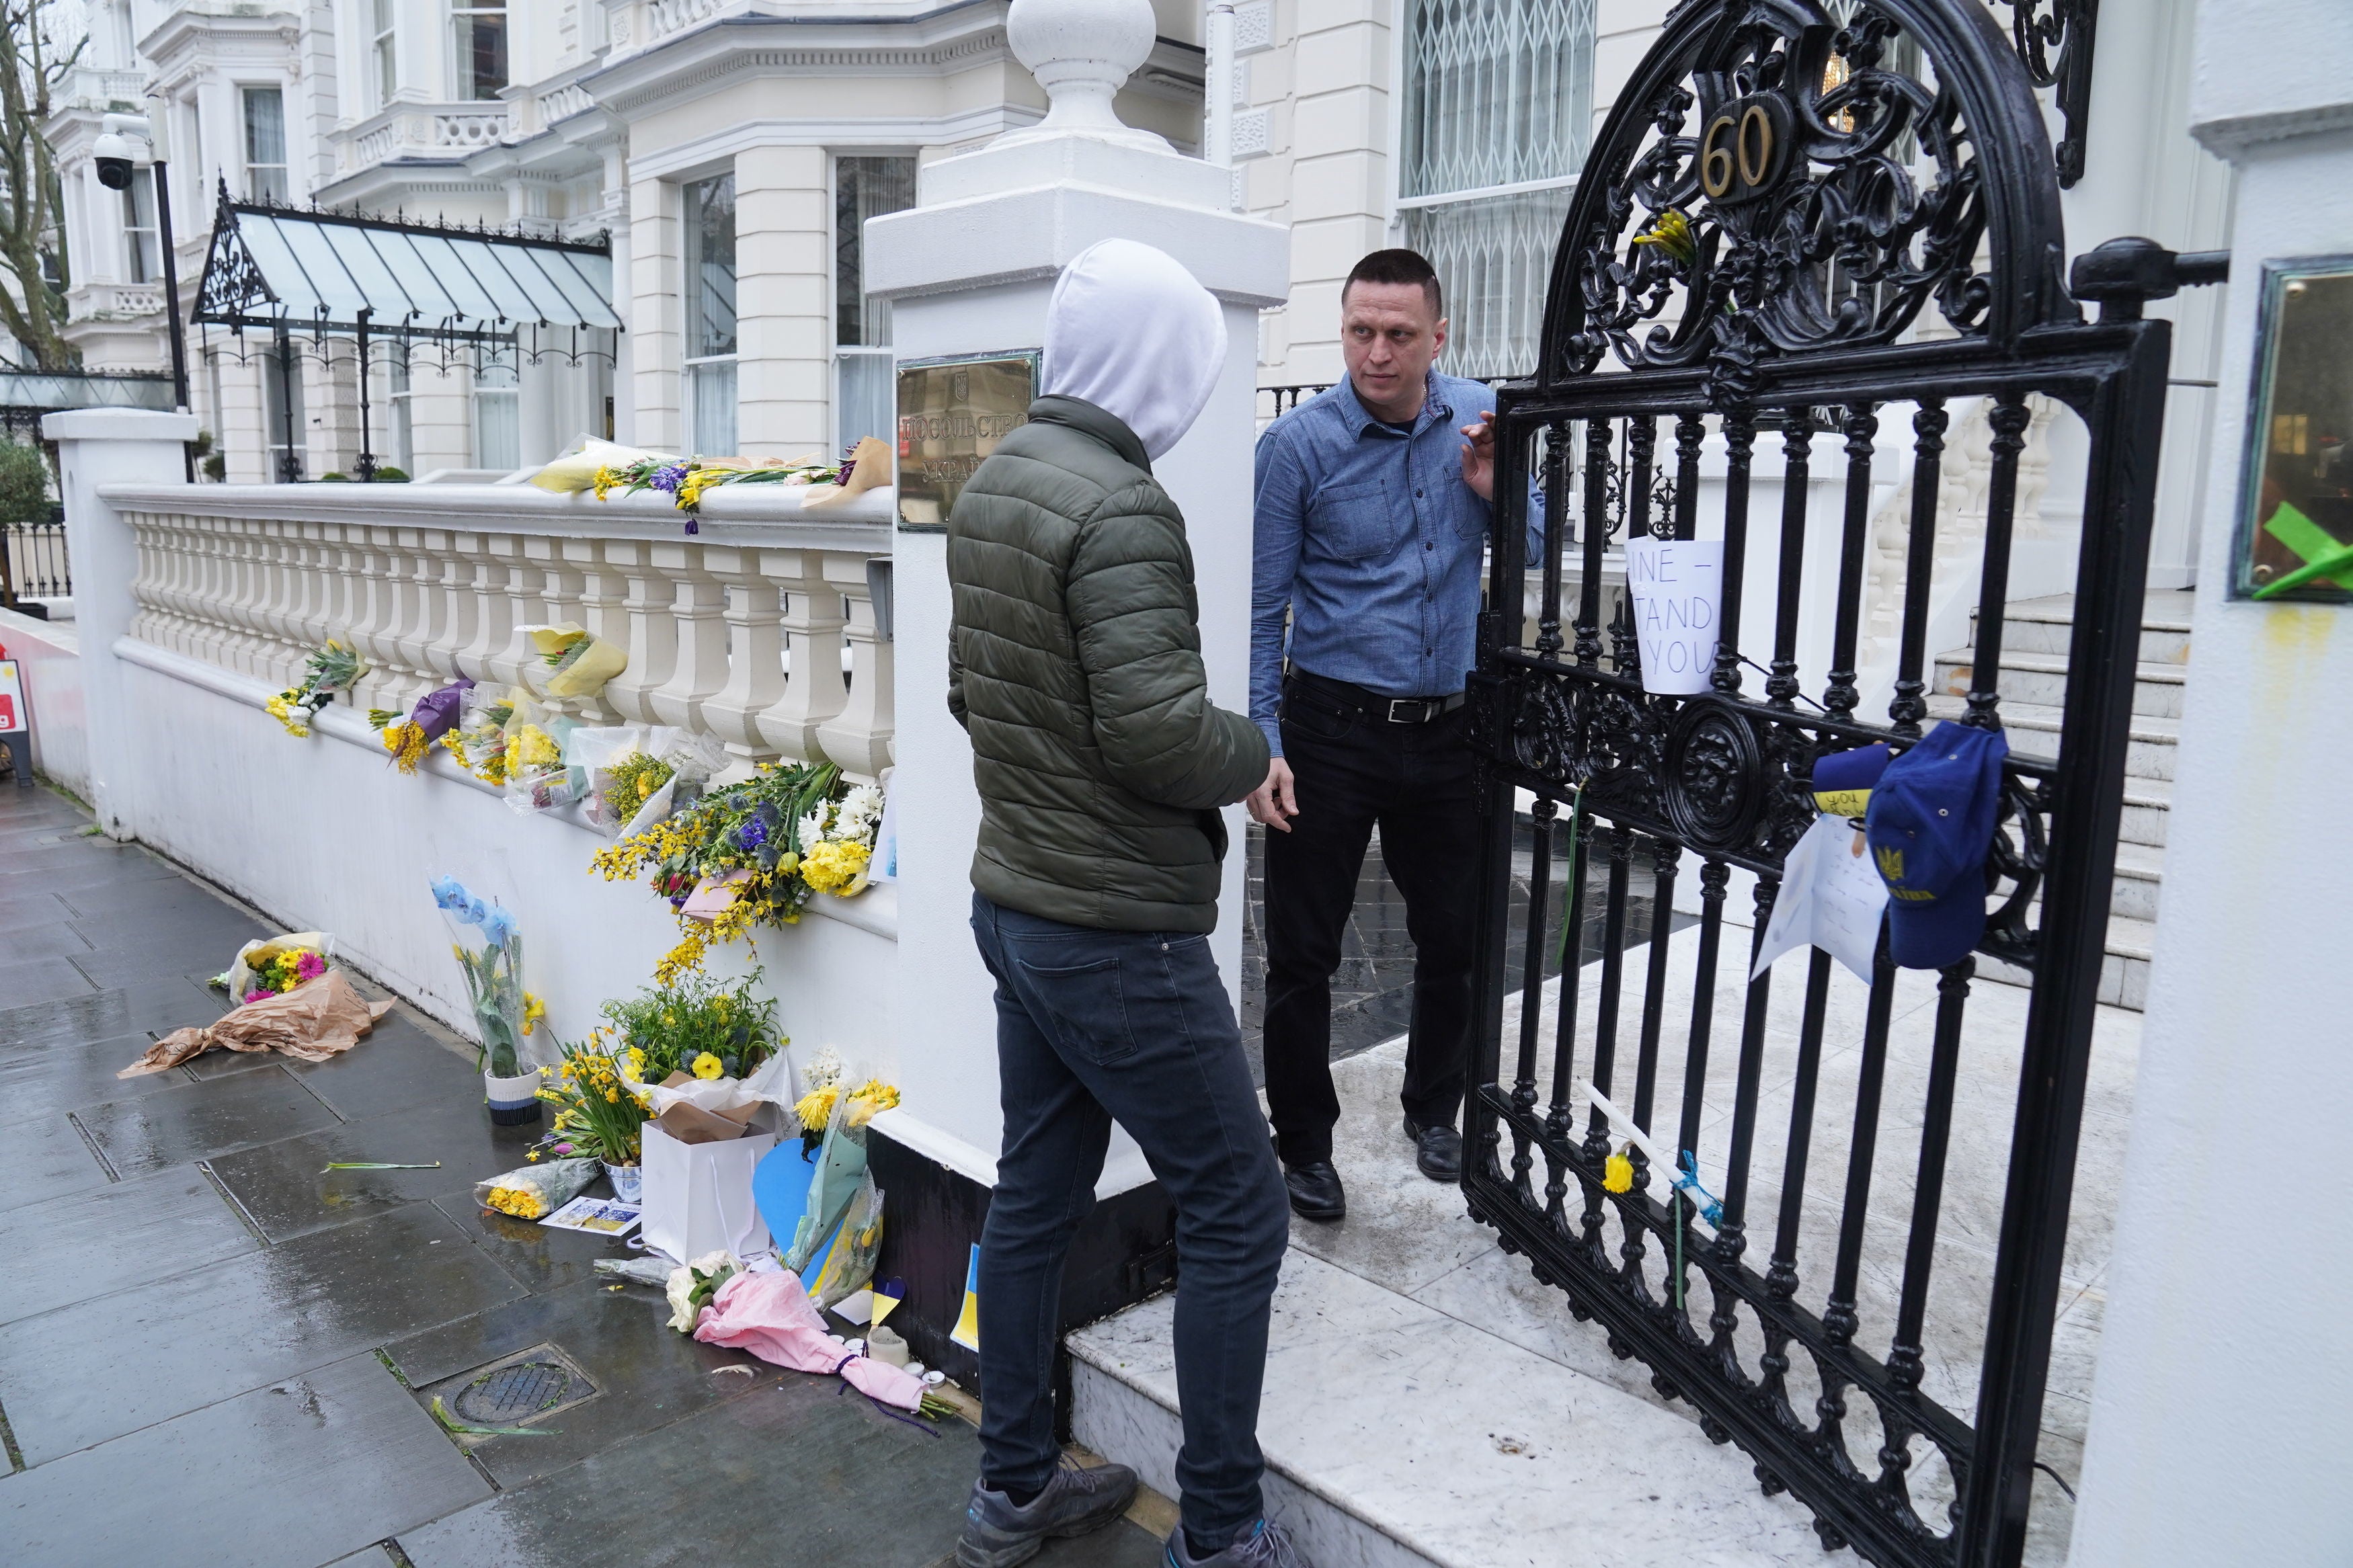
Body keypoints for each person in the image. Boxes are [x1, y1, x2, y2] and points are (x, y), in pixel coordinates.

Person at [947, 238, 1306, 1568]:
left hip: (1020, 908)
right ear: (1157, 362)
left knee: (1035, 1189)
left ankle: (1016, 1486)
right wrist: (1253, 752)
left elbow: (971, 698)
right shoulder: (1122, 507)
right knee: (1238, 1206)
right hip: (1111, 936)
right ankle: (1219, 1533)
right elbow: (1157, 735)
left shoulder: (998, 482)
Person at [1246, 247, 1541, 1223]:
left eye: (1399, 334)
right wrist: (1265, 741)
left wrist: (1498, 488)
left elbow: (1541, 546)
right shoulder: (1296, 448)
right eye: (1361, 331)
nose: (1377, 352)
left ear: (1438, 336)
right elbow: (1261, 608)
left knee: (1455, 936)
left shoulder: (1479, 414)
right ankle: (1306, 1144)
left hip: (1448, 729)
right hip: (1330, 727)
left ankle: (1434, 1108)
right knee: (1303, 951)